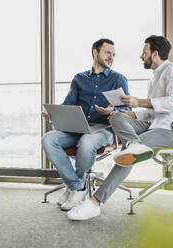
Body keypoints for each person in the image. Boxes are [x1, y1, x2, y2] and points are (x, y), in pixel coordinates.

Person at [66, 35, 173, 221]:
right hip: (155, 126)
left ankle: (95, 203)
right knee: (116, 115)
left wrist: (139, 101)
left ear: (155, 54)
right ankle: (133, 143)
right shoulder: (154, 79)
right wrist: (131, 113)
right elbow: (152, 113)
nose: (141, 56)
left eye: (145, 52)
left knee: (127, 155)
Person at [41, 38, 130, 211]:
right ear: (95, 53)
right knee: (49, 139)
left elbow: (126, 108)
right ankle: (77, 187)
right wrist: (53, 114)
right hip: (78, 128)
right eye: (107, 53)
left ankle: (75, 185)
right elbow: (69, 106)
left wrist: (112, 111)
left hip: (104, 129)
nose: (111, 57)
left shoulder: (118, 79)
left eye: (113, 54)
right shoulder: (79, 78)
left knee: (87, 142)